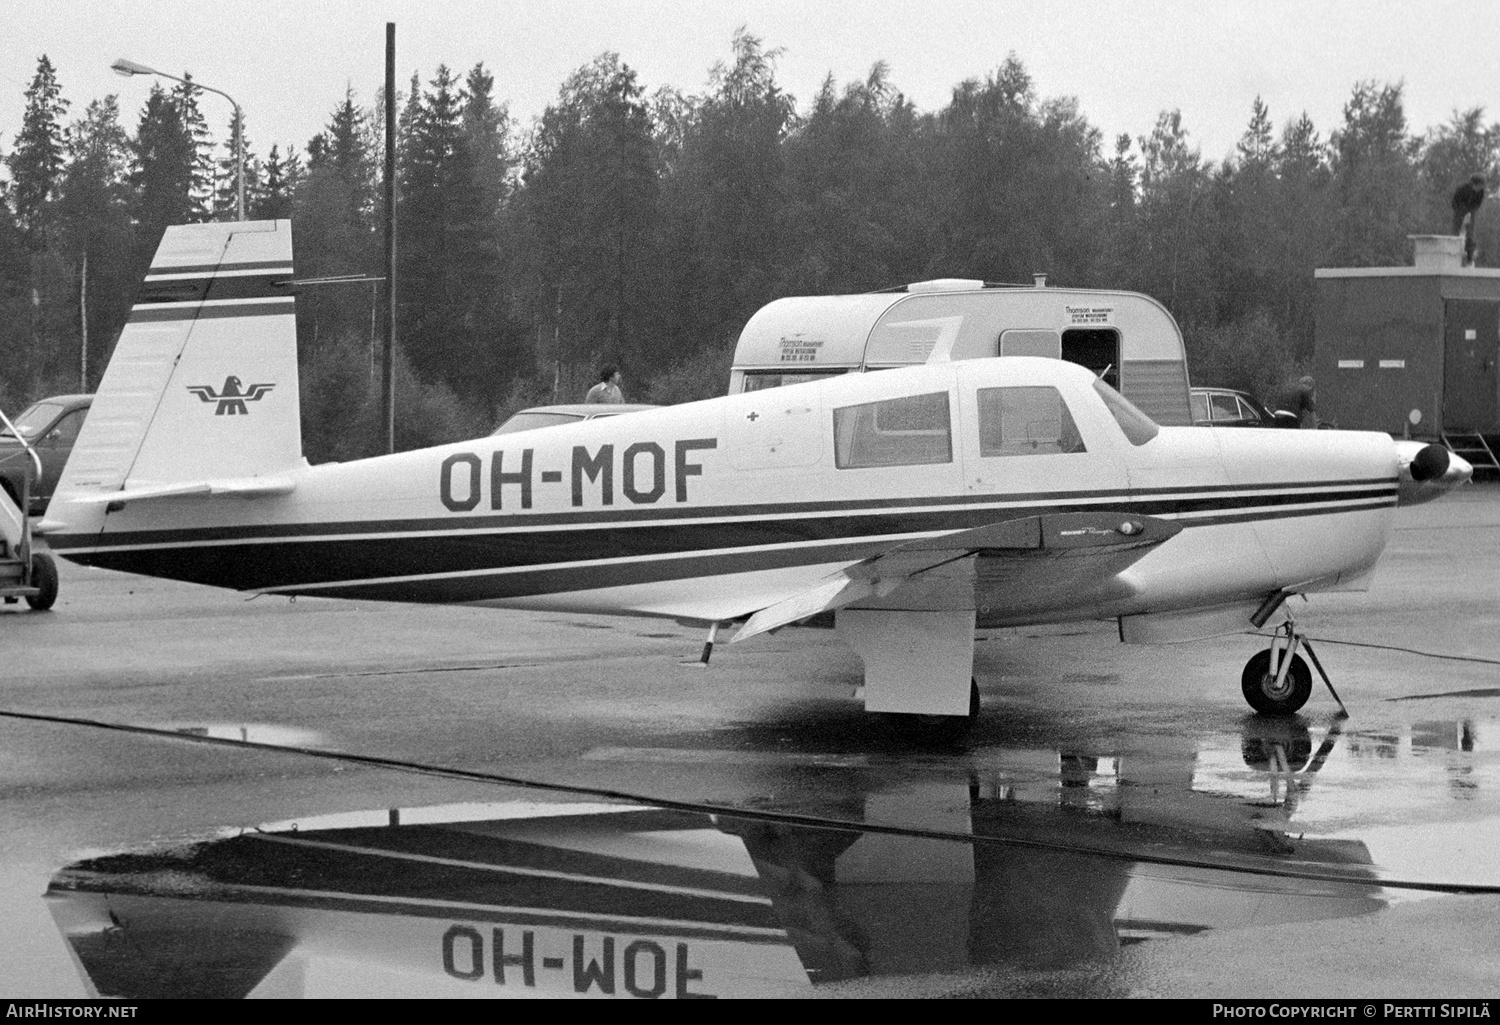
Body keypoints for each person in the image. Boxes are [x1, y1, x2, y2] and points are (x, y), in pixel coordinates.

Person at [1452, 174, 1486, 267]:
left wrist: (1471, 211)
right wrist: (1460, 212)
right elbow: (1454, 202)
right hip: (1460, 208)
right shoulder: (1463, 189)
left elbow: (1478, 203)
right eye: (1478, 186)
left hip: (1471, 208)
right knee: (1456, 230)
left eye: (1481, 187)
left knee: (1470, 232)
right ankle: (1453, 253)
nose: (1479, 189)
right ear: (1473, 184)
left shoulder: (1481, 192)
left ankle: (1470, 257)